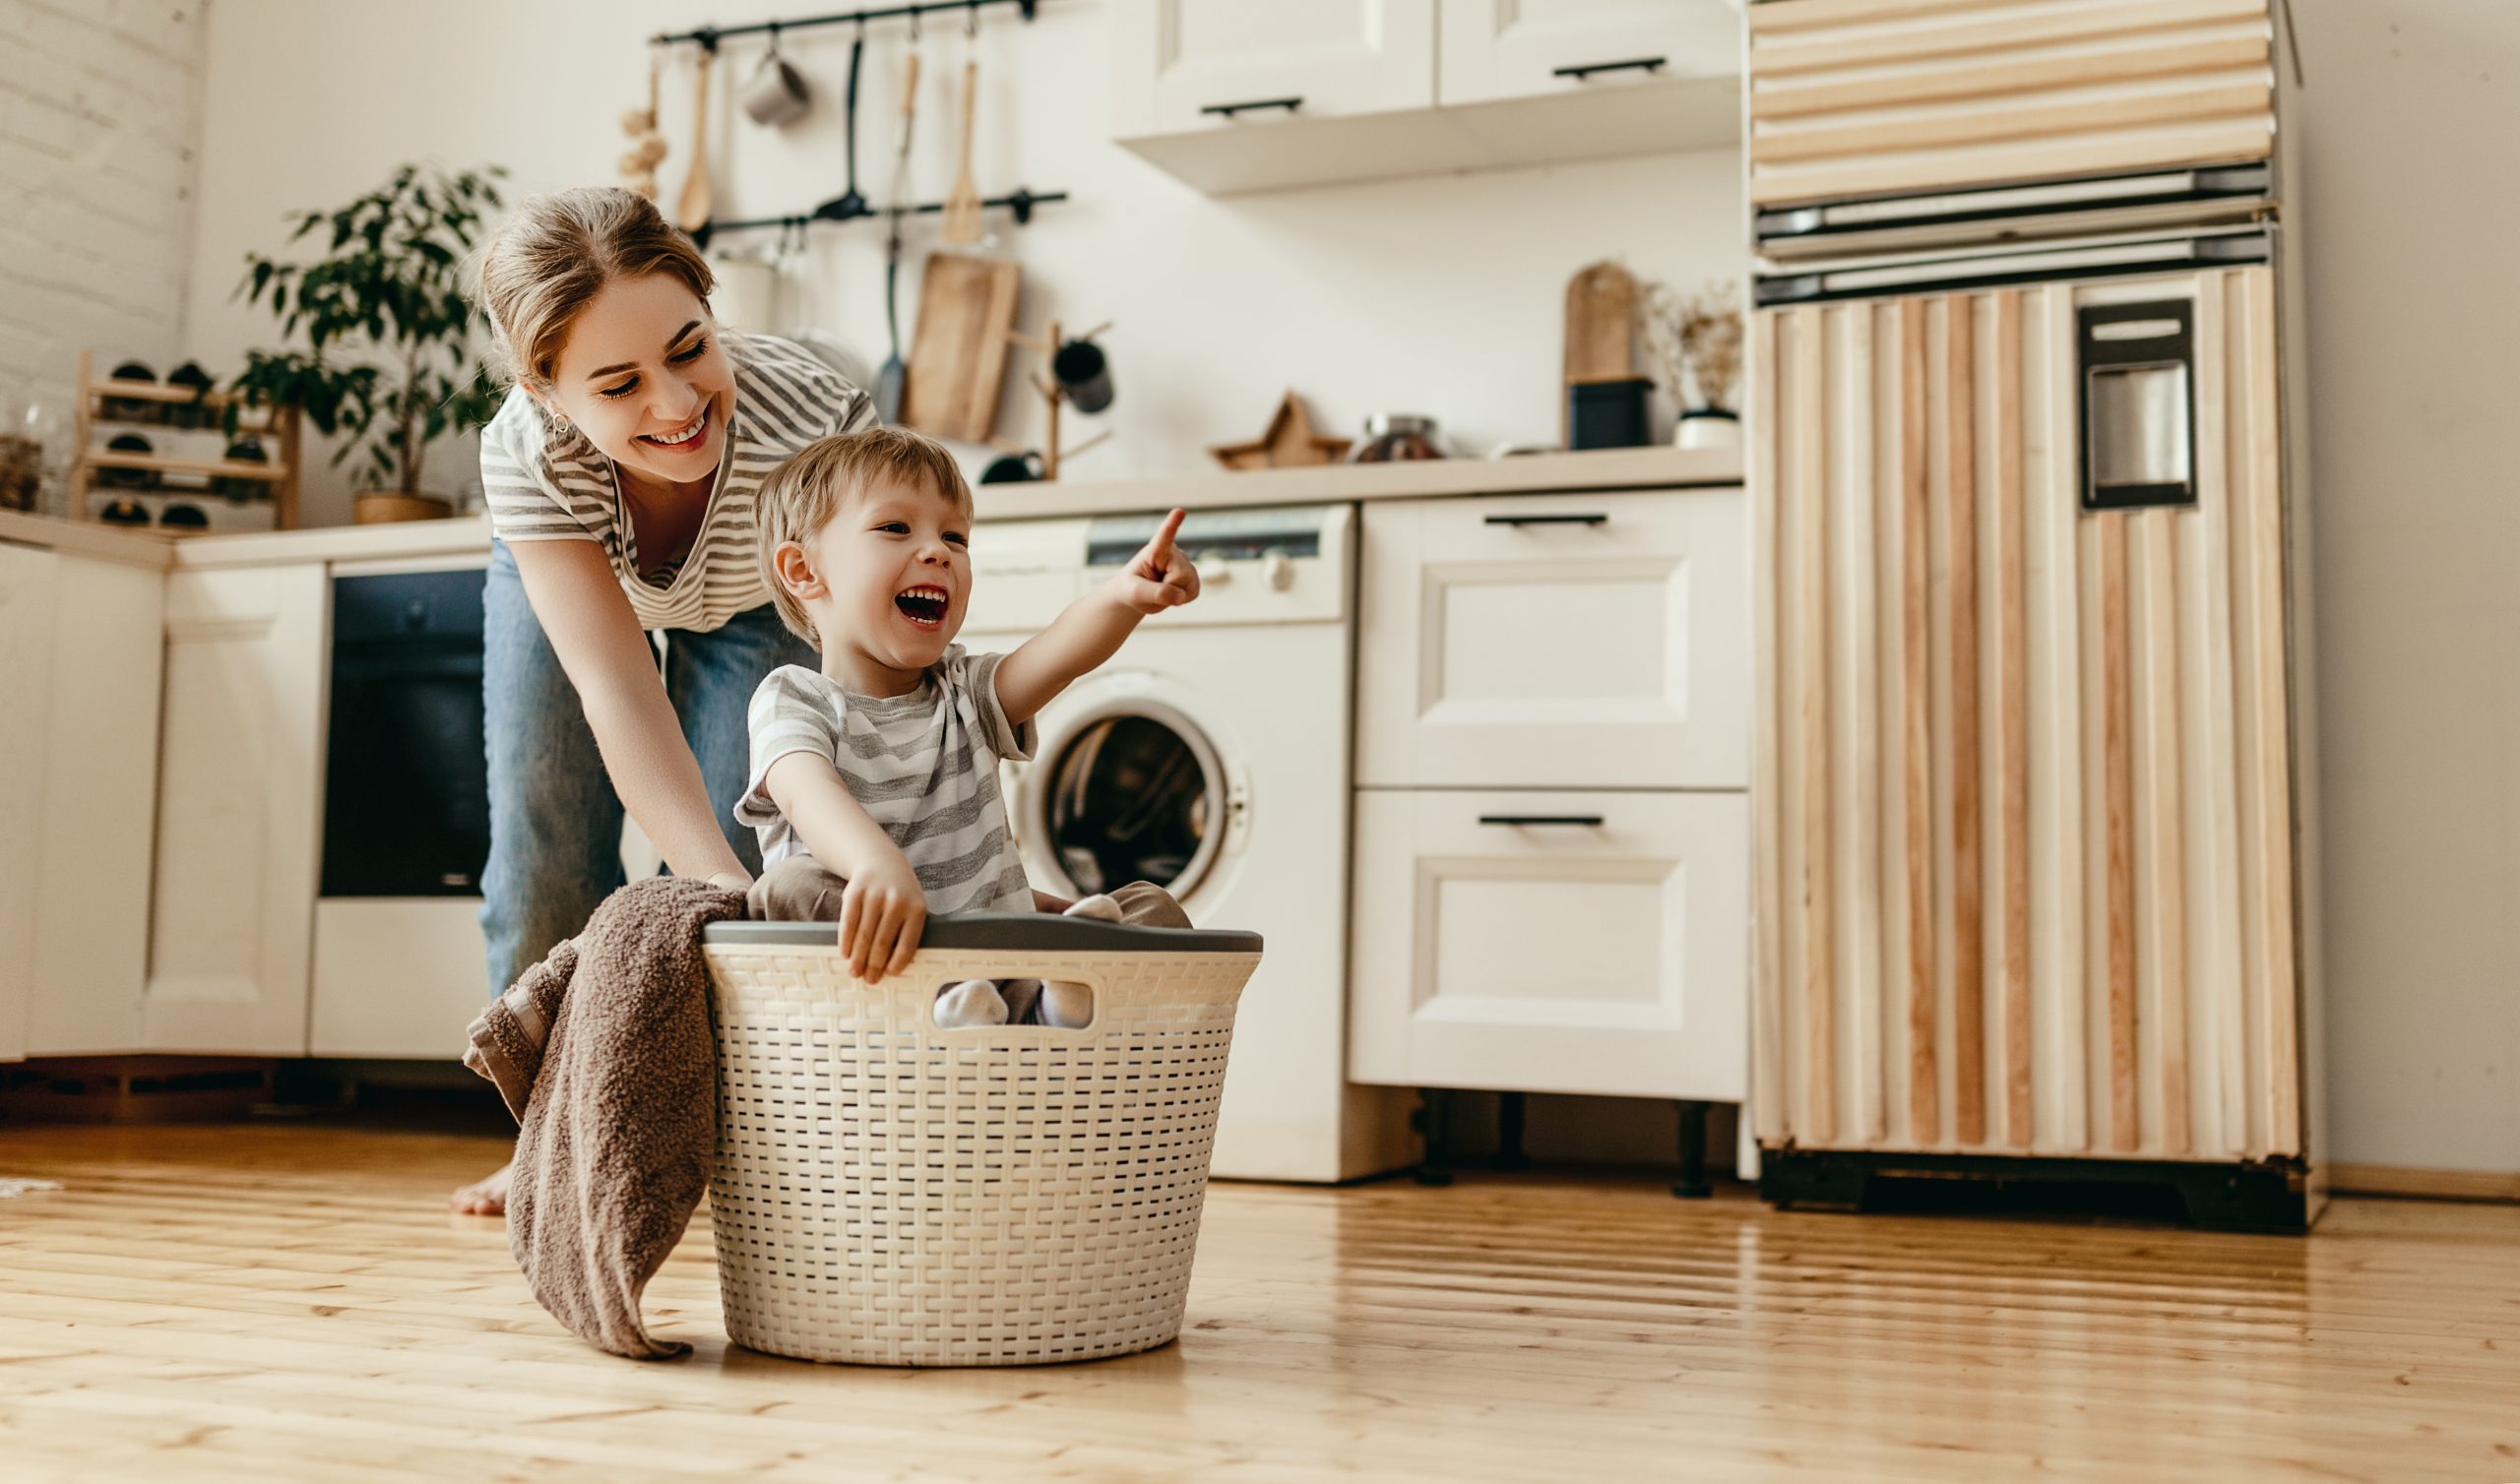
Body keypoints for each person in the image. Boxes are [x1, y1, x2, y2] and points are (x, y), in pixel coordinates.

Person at [451, 186, 872, 1215]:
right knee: (547, 840)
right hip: (583, 572)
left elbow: (860, 644)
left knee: (755, 847)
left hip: (759, 595)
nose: (677, 404)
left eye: (690, 348)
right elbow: (614, 686)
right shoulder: (527, 453)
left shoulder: (816, 415)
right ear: (549, 394)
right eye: (620, 383)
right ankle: (553, 1138)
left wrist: (746, 885)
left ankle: (731, 1142)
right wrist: (714, 887)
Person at [735, 427, 1199, 1023]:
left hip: (1004, 960)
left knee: (1150, 909)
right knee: (786, 891)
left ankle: (1052, 1007)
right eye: (895, 528)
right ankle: (960, 1011)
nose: (938, 551)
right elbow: (807, 793)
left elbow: (1059, 652)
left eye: (954, 536)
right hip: (878, 979)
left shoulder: (964, 692)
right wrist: (876, 865)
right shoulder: (793, 698)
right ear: (803, 570)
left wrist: (1123, 598)